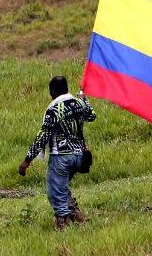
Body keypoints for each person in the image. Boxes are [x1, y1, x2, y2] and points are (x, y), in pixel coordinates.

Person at [18, 75, 97, 229]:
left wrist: (26, 161)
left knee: (54, 191)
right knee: (62, 187)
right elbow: (92, 116)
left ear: (53, 91)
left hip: (61, 157)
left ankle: (63, 224)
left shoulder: (54, 110)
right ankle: (77, 215)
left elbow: (43, 137)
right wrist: (84, 99)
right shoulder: (79, 103)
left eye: (50, 91)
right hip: (80, 156)